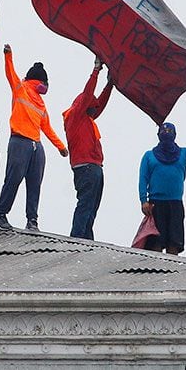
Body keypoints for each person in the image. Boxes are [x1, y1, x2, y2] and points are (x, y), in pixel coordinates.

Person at [0, 49, 68, 231]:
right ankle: (0, 214)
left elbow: (47, 127)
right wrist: (8, 56)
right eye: (44, 84)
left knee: (35, 183)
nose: (46, 88)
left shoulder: (40, 103)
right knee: (13, 178)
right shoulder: (21, 89)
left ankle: (32, 220)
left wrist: (60, 146)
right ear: (39, 82)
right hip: (19, 141)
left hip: (37, 145)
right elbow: (10, 72)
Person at [138, 123, 186, 255]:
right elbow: (143, 179)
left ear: (175, 135)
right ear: (158, 136)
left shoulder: (184, 153)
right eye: (164, 131)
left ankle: (171, 272)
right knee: (156, 243)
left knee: (174, 242)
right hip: (155, 204)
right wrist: (143, 200)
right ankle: (155, 271)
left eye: (169, 131)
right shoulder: (149, 156)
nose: (166, 134)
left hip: (175, 204)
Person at [62, 57, 114, 240]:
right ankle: (77, 237)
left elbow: (99, 102)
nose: (95, 109)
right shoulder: (75, 117)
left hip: (94, 167)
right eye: (92, 106)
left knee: (92, 206)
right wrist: (96, 70)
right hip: (86, 167)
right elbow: (88, 94)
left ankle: (86, 238)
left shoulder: (87, 119)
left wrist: (110, 85)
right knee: (86, 204)